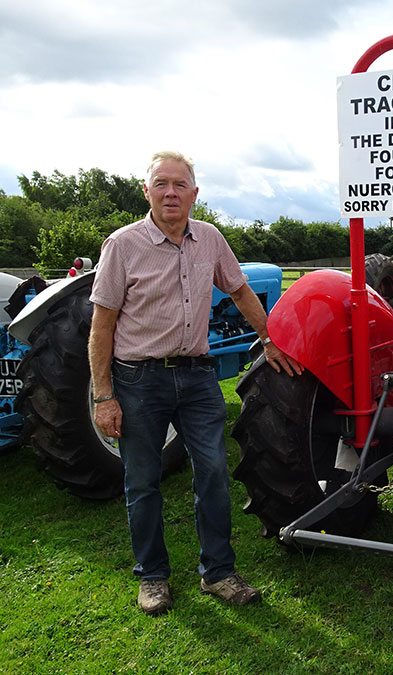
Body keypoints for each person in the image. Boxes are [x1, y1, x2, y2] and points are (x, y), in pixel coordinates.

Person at [88, 150, 301, 616]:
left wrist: (269, 339)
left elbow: (240, 289)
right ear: (146, 192)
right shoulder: (122, 245)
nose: (170, 192)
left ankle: (219, 572)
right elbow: (102, 324)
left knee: (214, 475)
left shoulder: (209, 239)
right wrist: (103, 394)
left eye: (180, 185)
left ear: (194, 194)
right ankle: (152, 576)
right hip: (139, 380)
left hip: (198, 376)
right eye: (161, 184)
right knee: (142, 481)